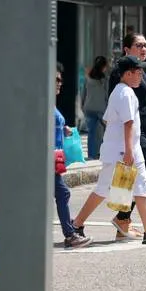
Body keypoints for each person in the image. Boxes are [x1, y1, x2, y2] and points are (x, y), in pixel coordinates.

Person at [70, 55, 146, 246]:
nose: (141, 74)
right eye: (138, 71)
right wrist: (127, 150)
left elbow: (110, 120)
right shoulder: (125, 93)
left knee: (138, 187)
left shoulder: (121, 91)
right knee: (105, 189)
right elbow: (128, 123)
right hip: (123, 151)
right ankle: (76, 224)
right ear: (127, 74)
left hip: (124, 149)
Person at [106, 33, 146, 240]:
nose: (143, 48)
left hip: (144, 132)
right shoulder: (120, 74)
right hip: (131, 132)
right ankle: (122, 218)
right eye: (139, 45)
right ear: (126, 49)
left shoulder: (140, 70)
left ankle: (122, 221)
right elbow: (122, 107)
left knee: (135, 176)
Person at [53, 63, 92, 250]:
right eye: (56, 80)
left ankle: (69, 233)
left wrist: (63, 129)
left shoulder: (49, 103)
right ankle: (69, 234)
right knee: (63, 193)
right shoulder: (44, 103)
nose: (60, 83)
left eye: (61, 80)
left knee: (58, 193)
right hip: (47, 159)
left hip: (54, 158)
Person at [82, 55, 110, 160]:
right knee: (105, 132)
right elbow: (107, 96)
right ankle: (101, 152)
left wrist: (83, 106)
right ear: (103, 67)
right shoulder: (104, 80)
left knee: (92, 133)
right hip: (101, 110)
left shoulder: (87, 78)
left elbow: (83, 94)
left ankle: (91, 155)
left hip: (89, 108)